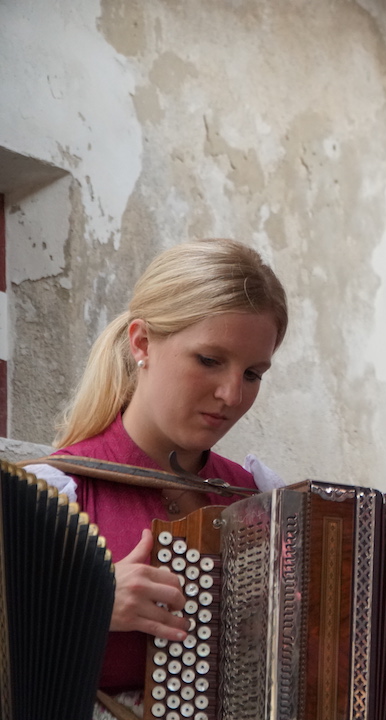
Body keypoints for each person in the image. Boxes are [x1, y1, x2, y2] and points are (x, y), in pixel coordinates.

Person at [24, 238, 289, 719]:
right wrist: (83, 606)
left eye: (253, 373)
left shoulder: (261, 497)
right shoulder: (51, 495)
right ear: (142, 342)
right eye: (209, 360)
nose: (232, 394)